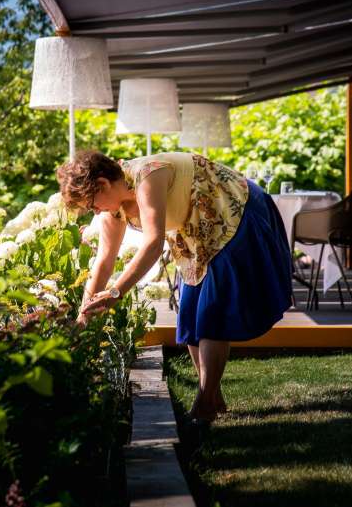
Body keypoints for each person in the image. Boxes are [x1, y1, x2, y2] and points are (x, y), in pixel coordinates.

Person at [56, 150, 292, 423]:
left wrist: (115, 293)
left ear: (104, 185)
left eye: (91, 204)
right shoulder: (114, 212)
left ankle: (205, 401)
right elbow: (103, 263)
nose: (93, 212)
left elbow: (154, 243)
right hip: (195, 228)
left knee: (212, 313)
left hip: (229, 207)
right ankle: (213, 397)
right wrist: (83, 314)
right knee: (190, 316)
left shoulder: (148, 175)